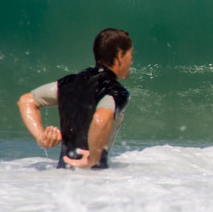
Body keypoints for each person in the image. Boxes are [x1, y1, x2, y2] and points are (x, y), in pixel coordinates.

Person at [17, 28, 133, 169]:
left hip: (64, 175)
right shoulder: (115, 91)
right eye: (130, 54)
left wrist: (41, 137)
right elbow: (100, 120)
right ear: (120, 55)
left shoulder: (68, 84)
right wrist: (93, 158)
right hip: (93, 178)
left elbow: (27, 101)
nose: (131, 60)